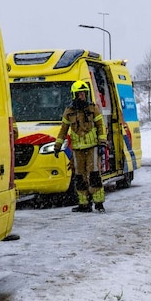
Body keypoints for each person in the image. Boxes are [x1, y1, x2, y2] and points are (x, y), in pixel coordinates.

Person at [54, 80, 108, 212]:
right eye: (80, 94)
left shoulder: (93, 109)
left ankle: (99, 203)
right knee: (79, 177)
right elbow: (63, 130)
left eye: (84, 93)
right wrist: (57, 146)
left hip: (92, 148)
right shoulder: (69, 111)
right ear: (74, 95)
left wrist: (102, 144)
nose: (82, 96)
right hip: (77, 150)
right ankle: (84, 204)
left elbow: (101, 127)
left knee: (94, 175)